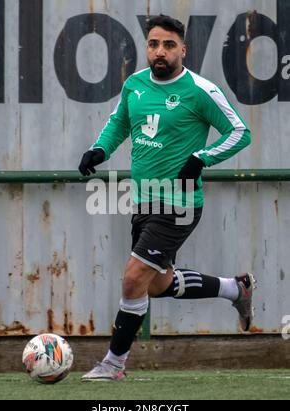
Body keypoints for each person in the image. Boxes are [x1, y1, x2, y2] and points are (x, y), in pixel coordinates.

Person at [78, 14, 255, 381]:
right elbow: (119, 124)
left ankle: (113, 363)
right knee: (155, 285)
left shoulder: (200, 90)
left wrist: (201, 158)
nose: (160, 52)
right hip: (144, 201)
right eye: (154, 44)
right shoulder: (135, 84)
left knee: (132, 279)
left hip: (179, 204)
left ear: (183, 50)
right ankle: (233, 289)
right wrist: (99, 150)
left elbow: (240, 132)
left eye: (169, 45)